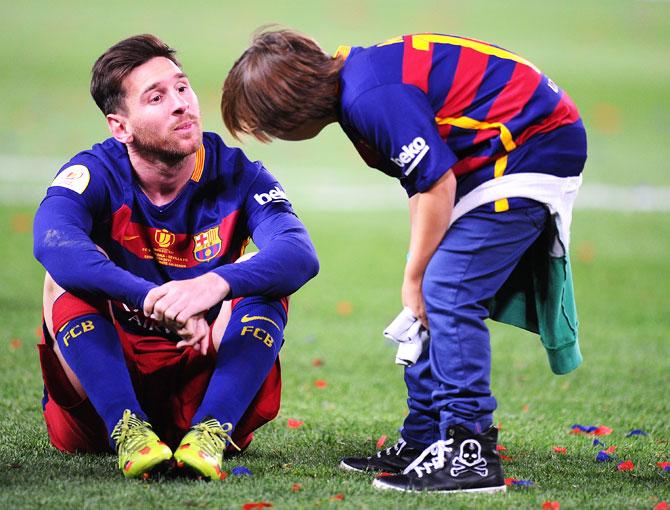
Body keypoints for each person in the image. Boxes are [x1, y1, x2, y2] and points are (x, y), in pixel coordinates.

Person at [221, 29, 587, 493]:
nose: (272, 137)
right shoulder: (357, 82)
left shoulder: (368, 97)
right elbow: (421, 185)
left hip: (529, 147)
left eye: (268, 125)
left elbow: (437, 183)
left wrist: (416, 276)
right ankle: (426, 438)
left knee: (446, 293)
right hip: (513, 145)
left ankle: (469, 451)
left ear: (290, 109)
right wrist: (420, 271)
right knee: (435, 288)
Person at [33, 34, 319, 480]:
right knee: (60, 276)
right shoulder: (93, 173)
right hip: (110, 380)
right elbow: (53, 243)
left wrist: (212, 286)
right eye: (156, 97)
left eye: (182, 88)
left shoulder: (239, 174)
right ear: (121, 127)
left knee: (264, 277)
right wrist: (153, 299)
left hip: (203, 377)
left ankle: (210, 433)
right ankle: (128, 430)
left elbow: (299, 253)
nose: (181, 104)